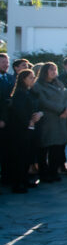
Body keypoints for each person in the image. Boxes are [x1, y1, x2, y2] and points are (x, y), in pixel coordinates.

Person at [32, 62, 67, 183]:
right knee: (44, 149)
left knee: (57, 149)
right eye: (51, 70)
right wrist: (61, 109)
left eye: (55, 69)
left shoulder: (59, 83)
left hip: (60, 120)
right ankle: (44, 174)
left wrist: (66, 108)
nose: (54, 72)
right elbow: (43, 101)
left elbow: (65, 97)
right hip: (47, 121)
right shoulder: (38, 85)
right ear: (45, 71)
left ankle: (54, 172)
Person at [7, 69, 42, 193]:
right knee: (19, 157)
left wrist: (38, 114)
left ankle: (24, 179)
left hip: (29, 128)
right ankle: (17, 183)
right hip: (20, 130)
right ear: (23, 79)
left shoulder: (29, 92)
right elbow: (19, 111)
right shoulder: (19, 93)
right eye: (30, 77)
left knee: (27, 155)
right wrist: (29, 121)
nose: (33, 80)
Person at [0, 53, 16, 187]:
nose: (6, 65)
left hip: (11, 120)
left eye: (7, 62)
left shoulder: (11, 78)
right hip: (1, 119)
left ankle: (7, 177)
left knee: (8, 151)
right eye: (3, 62)